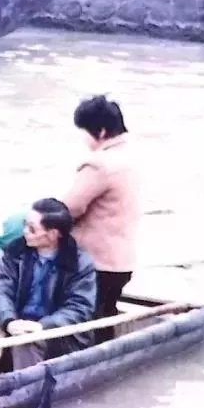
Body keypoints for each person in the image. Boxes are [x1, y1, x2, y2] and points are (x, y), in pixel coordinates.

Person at [61, 95, 141, 345]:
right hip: (122, 260)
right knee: (104, 314)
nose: (83, 139)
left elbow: (69, 209)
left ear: (101, 131)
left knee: (86, 322)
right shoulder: (131, 157)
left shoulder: (99, 165)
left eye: (84, 131)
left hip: (95, 261)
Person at [0, 198, 97, 371]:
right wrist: (8, 320)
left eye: (31, 228)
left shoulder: (80, 263)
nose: (25, 232)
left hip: (58, 331)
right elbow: (0, 290)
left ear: (53, 234)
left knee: (27, 341)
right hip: (16, 321)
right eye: (25, 225)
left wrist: (43, 327)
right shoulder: (15, 253)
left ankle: (27, 393)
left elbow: (79, 307)